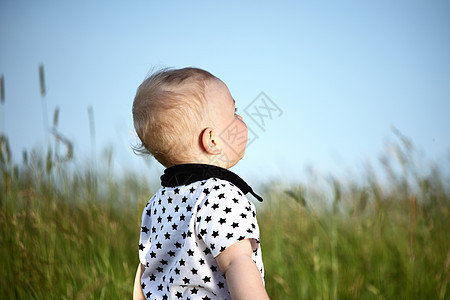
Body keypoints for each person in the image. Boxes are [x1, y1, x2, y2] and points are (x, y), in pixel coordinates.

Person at [132, 67, 269, 300]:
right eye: (234, 112)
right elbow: (237, 263)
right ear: (212, 140)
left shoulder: (156, 203)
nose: (242, 117)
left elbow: (145, 273)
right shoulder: (222, 196)